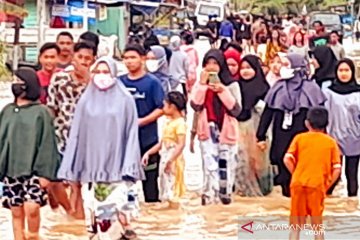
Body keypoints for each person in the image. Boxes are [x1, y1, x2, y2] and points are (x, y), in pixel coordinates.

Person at [57, 57, 144, 239]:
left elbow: (131, 135)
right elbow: (76, 136)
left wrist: (130, 166)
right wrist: (71, 168)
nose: (102, 76)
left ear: (114, 74)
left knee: (113, 219)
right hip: (90, 172)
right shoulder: (85, 101)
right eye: (98, 72)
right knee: (93, 222)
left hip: (117, 171)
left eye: (106, 72)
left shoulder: (126, 100)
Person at [0, 68, 59, 240]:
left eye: (19, 81)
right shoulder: (7, 111)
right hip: (11, 169)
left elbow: (48, 143)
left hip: (34, 170)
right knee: (16, 211)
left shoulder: (41, 112)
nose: (15, 84)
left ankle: (33, 236)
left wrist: (46, 174)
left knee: (32, 208)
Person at [256, 53, 326, 197]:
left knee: (304, 170)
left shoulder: (311, 88)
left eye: (287, 65)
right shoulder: (278, 87)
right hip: (282, 135)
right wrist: (260, 136)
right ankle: (287, 205)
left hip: (304, 137)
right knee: (284, 169)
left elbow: (320, 115)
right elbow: (268, 112)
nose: (283, 68)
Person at [47, 42, 96, 219]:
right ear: (73, 57)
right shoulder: (59, 79)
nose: (83, 61)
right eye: (80, 57)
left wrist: (89, 79)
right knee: (54, 181)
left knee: (78, 184)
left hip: (86, 140)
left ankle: (76, 222)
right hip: (60, 138)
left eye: (87, 58)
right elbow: (51, 108)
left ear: (93, 61)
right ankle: (68, 212)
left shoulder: (97, 83)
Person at [190, 49, 241, 205]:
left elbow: (236, 110)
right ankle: (209, 200)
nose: (211, 67)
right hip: (207, 131)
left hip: (226, 132)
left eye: (215, 64)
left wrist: (222, 91)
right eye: (208, 64)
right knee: (210, 167)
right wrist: (202, 85)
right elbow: (196, 106)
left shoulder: (232, 85)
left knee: (226, 166)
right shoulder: (200, 85)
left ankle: (225, 200)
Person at [284, 107, 341, 240]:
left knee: (295, 226)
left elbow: (287, 159)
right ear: (327, 124)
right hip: (317, 185)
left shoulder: (299, 138)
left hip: (297, 184)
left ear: (306, 123)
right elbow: (337, 169)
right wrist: (326, 185)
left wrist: (296, 173)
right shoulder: (331, 143)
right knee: (317, 226)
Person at [120, 44, 165, 203]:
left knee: (150, 188)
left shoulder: (152, 83)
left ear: (143, 59)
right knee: (125, 187)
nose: (129, 61)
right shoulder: (119, 82)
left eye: (133, 57)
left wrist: (140, 122)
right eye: (126, 58)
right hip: (124, 143)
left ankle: (153, 223)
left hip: (148, 142)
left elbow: (161, 108)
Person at [234, 55, 272, 197]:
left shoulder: (264, 88)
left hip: (258, 129)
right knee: (241, 160)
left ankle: (262, 192)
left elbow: (267, 111)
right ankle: (241, 190)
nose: (245, 71)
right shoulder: (236, 86)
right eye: (242, 68)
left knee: (258, 161)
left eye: (249, 68)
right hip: (240, 127)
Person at [142, 91, 187, 209]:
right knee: (165, 186)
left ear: (172, 107)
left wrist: (171, 161)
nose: (163, 108)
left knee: (172, 190)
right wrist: (148, 153)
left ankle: (172, 213)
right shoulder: (169, 122)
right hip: (165, 157)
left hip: (173, 159)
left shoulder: (180, 123)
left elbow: (181, 145)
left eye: (165, 105)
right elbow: (161, 144)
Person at [323, 59, 360, 197]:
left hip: (355, 138)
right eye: (340, 70)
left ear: (352, 72)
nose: (343, 74)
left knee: (351, 175)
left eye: (347, 70)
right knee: (332, 175)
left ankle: (351, 208)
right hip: (333, 138)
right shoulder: (328, 93)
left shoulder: (358, 92)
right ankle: (329, 206)